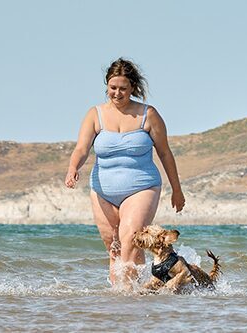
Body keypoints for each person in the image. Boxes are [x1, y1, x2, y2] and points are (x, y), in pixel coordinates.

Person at [64, 58, 186, 289]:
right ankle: (124, 300)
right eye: (113, 88)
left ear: (133, 88)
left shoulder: (148, 115)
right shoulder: (94, 114)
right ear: (106, 86)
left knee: (130, 239)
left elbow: (165, 154)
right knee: (115, 248)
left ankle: (131, 296)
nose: (117, 93)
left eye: (123, 88)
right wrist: (73, 168)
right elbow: (81, 148)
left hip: (142, 187)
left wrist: (177, 190)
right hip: (103, 191)